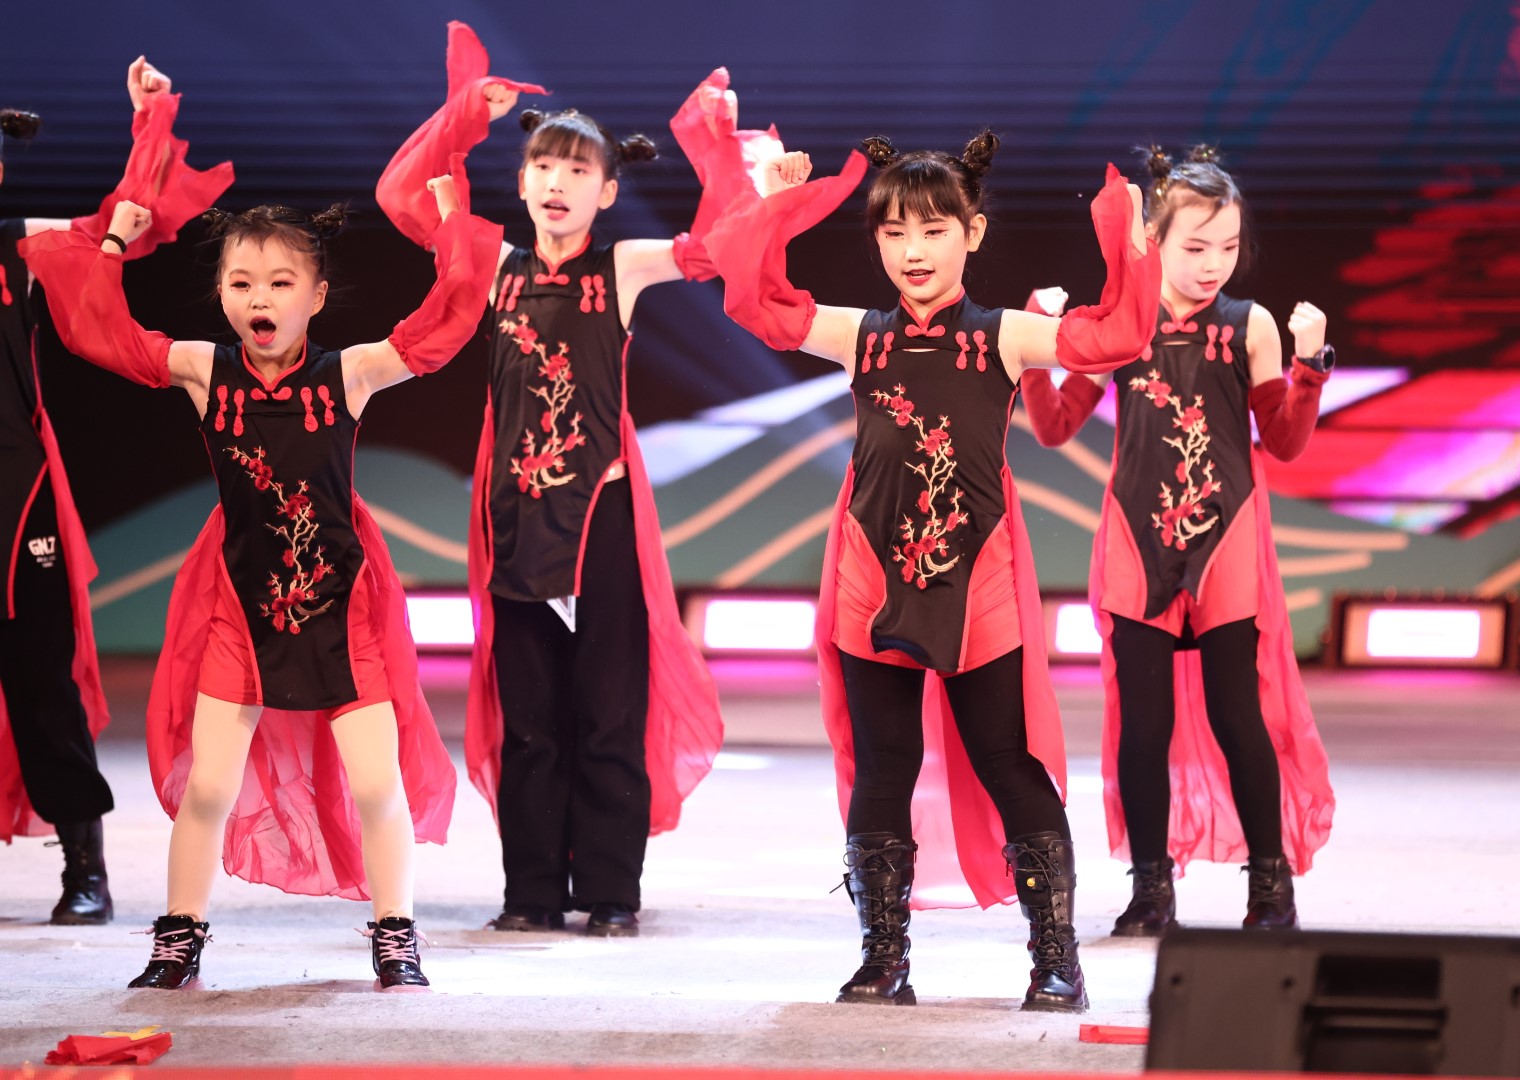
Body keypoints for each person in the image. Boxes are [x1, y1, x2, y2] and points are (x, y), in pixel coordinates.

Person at [22, 121, 500, 988]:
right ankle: (179, 936)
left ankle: (396, 932)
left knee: (376, 784)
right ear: (220, 293)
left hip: (340, 603)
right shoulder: (205, 371)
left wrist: (450, 217)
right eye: (241, 282)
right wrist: (116, 242)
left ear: (316, 295)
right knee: (209, 785)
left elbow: (447, 320)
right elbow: (100, 331)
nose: (260, 298)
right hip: (240, 605)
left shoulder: (350, 373)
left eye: (281, 282)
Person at [704, 128, 1159, 1010]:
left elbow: (1115, 337)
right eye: (893, 232)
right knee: (883, 766)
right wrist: (776, 207)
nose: (913, 251)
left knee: (1009, 763)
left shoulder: (1005, 337)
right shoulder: (858, 336)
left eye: (934, 230)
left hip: (976, 577)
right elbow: (757, 304)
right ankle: (884, 958)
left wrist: (1129, 238)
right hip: (872, 574)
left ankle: (1057, 960)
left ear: (973, 233)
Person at [374, 24, 728, 938]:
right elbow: (400, 194)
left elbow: (719, 247)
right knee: (529, 714)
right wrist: (465, 116)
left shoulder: (625, 268)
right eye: (543, 165)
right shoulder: (490, 266)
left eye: (579, 169)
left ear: (607, 190)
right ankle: (531, 891)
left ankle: (610, 892)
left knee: (609, 708)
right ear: (524, 181)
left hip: (601, 509)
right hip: (515, 514)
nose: (558, 181)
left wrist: (726, 148)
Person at [1020, 146, 1335, 935]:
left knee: (1239, 717)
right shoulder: (1119, 323)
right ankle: (1152, 891)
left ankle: (1271, 891)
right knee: (1144, 726)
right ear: (1153, 241)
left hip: (1226, 541)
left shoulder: (1250, 325)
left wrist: (1308, 367)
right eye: (1195, 247)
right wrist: (1035, 350)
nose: (1213, 265)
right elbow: (1056, 427)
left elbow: (1284, 443)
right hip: (1137, 539)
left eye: (1228, 247)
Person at [0, 58, 230, 926]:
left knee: (42, 685)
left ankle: (84, 867)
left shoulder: (22, 247)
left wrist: (149, 122)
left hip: (14, 501)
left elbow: (124, 221)